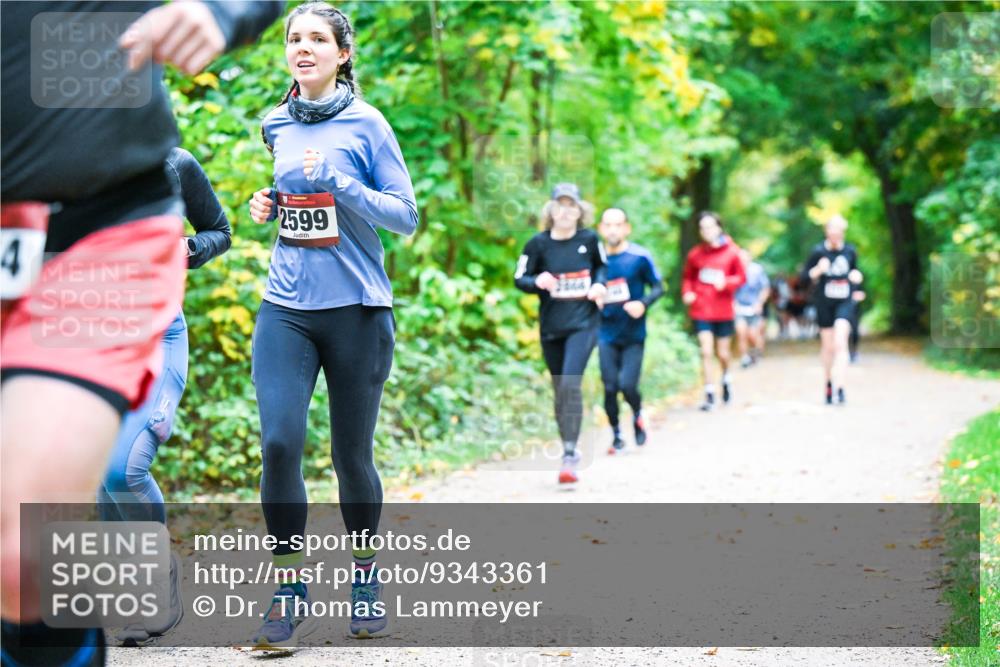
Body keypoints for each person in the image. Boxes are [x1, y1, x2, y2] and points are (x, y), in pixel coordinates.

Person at [1, 3, 282, 665]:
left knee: (30, 549)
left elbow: (220, 231)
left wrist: (223, 9)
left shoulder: (179, 164)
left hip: (96, 229)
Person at [246, 1, 417, 647]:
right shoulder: (275, 122)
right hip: (286, 308)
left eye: (318, 38)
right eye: (295, 38)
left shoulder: (368, 124)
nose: (304, 47)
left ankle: (366, 575)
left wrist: (345, 185)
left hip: (357, 311)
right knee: (280, 444)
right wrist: (269, 202)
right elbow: (292, 198)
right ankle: (288, 586)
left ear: (343, 54)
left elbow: (404, 216)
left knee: (351, 455)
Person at [96, 147, 232, 646]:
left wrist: (188, 250)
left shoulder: (175, 164)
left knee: (123, 469)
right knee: (97, 476)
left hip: (158, 341)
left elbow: (221, 231)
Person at [514, 183, 607, 484]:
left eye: (572, 206)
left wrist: (598, 285)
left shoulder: (590, 240)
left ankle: (569, 454)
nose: (566, 211)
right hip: (552, 326)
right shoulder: (537, 245)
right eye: (560, 205)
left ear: (580, 211)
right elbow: (520, 278)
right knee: (560, 388)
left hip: (584, 324)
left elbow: (602, 269)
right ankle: (569, 444)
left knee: (570, 382)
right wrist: (536, 280)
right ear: (551, 209)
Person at [596, 208, 664, 454]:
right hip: (604, 333)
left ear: (627, 228)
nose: (613, 230)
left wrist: (642, 304)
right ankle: (616, 435)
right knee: (610, 386)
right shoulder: (596, 260)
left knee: (627, 385)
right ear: (601, 229)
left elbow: (658, 287)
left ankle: (637, 414)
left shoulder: (639, 257)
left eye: (618, 225)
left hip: (633, 334)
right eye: (608, 225)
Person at [681, 212, 745, 412]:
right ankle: (709, 392)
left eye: (710, 226)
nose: (707, 231)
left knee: (723, 353)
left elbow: (741, 278)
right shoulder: (695, 254)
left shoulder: (732, 252)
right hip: (701, 309)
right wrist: (688, 292)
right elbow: (688, 277)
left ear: (719, 228)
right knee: (706, 351)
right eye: (703, 228)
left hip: (723, 310)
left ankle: (725, 378)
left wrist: (725, 282)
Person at [800, 215, 863, 404]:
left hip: (844, 301)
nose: (835, 235)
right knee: (828, 347)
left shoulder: (850, 251)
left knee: (840, 342)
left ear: (843, 232)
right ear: (827, 231)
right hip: (824, 303)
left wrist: (857, 280)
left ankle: (841, 387)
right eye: (831, 230)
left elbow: (855, 272)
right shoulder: (818, 251)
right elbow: (803, 279)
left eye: (839, 231)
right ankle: (828, 383)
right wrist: (817, 270)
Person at [733, 248, 770, 368]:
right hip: (739, 307)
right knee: (741, 332)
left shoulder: (757, 270)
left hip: (753, 307)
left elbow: (765, 288)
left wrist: (759, 303)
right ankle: (744, 357)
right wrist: (733, 303)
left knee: (753, 334)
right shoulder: (733, 270)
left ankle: (756, 352)